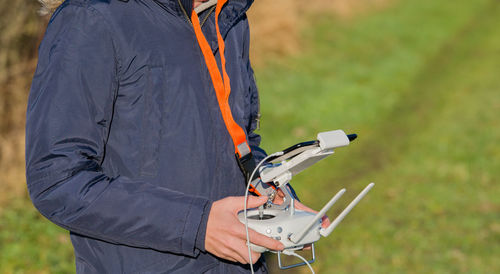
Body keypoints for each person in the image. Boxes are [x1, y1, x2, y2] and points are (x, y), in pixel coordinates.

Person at [26, 0, 326, 273]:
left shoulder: (229, 17)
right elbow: (56, 180)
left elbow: (240, 140)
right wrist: (197, 224)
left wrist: (271, 190)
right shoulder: (92, 19)